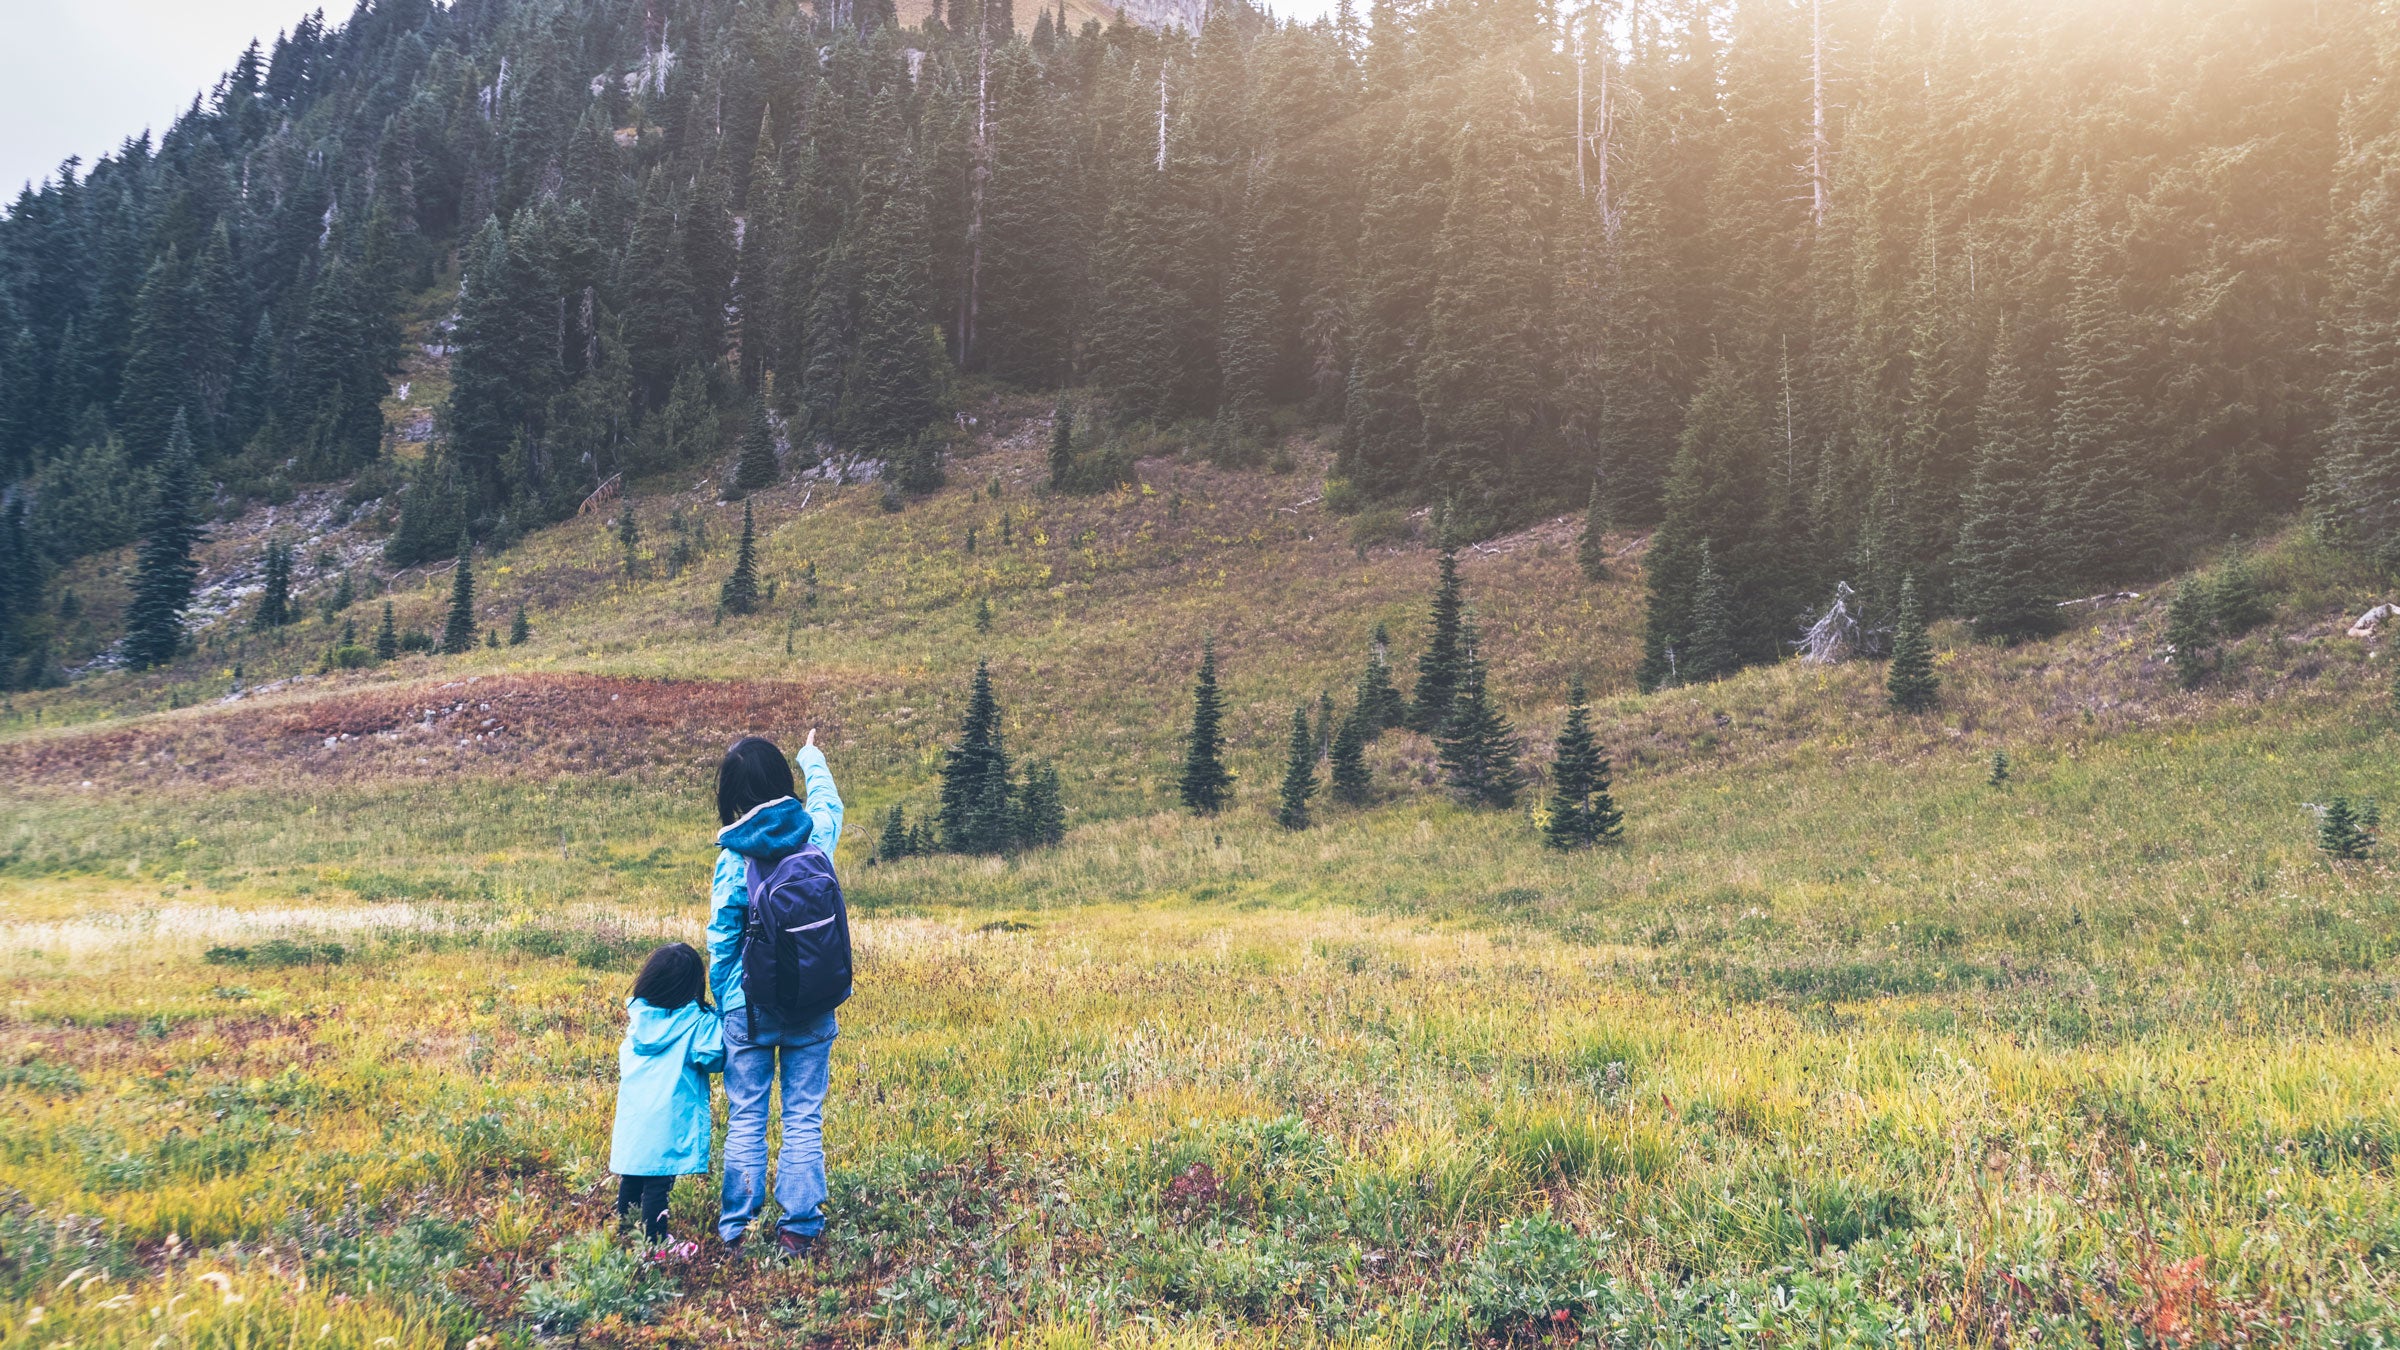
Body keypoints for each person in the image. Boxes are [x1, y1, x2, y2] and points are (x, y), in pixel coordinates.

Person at [709, 731, 844, 1256]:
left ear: (734, 796)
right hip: (813, 998)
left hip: (750, 1006)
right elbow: (829, 802)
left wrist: (727, 1004)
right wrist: (812, 754)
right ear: (782, 782)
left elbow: (721, 940)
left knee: (747, 1114)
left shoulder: (732, 857)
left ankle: (737, 1228)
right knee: (803, 1112)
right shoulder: (814, 836)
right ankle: (799, 1227)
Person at [607, 942, 725, 1250]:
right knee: (659, 1182)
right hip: (669, 1118)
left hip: (634, 1116)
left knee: (633, 1176)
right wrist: (717, 1016)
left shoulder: (639, 1017)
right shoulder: (697, 1021)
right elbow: (713, 1058)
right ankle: (656, 1245)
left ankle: (626, 1233)